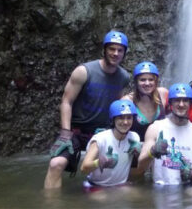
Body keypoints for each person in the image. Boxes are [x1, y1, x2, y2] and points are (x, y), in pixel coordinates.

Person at [44, 31, 133, 189]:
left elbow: (117, 105)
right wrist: (65, 133)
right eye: (112, 49)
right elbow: (66, 101)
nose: (115, 53)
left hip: (104, 130)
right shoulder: (84, 71)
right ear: (104, 50)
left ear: (124, 53)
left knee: (116, 163)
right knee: (56, 164)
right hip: (77, 130)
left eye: (120, 50)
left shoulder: (123, 77)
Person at [137, 83, 192, 186]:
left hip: (188, 186)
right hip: (161, 187)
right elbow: (141, 167)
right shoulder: (155, 128)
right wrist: (152, 151)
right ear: (170, 103)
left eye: (185, 100)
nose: (181, 104)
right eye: (177, 100)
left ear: (191, 104)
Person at [80, 99, 143, 189]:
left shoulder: (134, 137)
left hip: (120, 185)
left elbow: (140, 169)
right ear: (113, 120)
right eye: (121, 117)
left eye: (129, 118)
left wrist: (144, 153)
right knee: (105, 200)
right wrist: (99, 162)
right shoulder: (100, 139)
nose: (125, 122)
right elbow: (83, 168)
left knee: (138, 198)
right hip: (96, 185)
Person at [121, 61, 169, 139]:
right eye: (142, 80)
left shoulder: (163, 94)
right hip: (134, 148)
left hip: (159, 147)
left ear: (156, 81)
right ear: (136, 82)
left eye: (151, 79)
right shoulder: (127, 101)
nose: (147, 83)